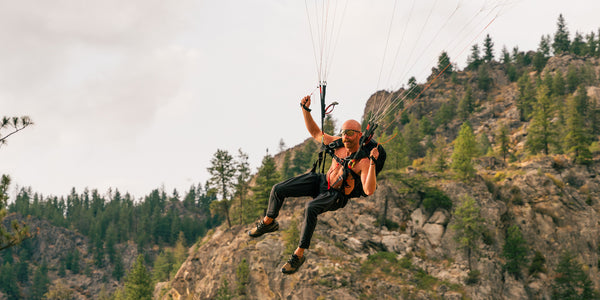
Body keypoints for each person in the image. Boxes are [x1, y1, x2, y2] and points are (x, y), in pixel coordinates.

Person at [248, 95, 380, 274]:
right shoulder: (338, 144)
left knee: (311, 208)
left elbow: (369, 190)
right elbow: (316, 133)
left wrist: (372, 162)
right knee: (278, 189)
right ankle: (268, 222)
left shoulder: (363, 161)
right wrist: (305, 110)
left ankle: (299, 255)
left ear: (359, 135)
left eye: (350, 133)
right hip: (321, 181)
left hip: (336, 195)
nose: (345, 136)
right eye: (343, 132)